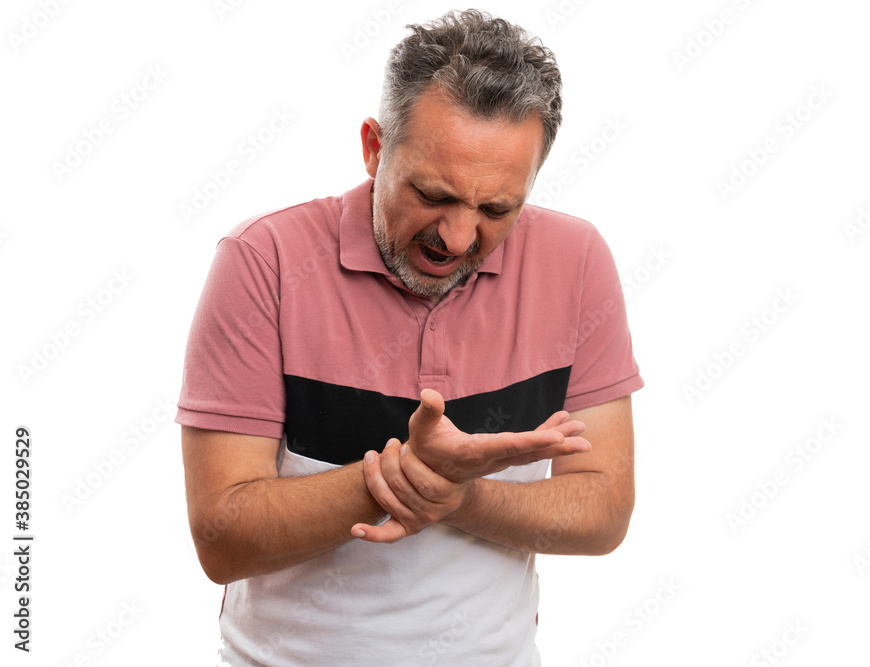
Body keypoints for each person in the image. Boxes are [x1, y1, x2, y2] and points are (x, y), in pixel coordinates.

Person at [177, 9, 643, 665]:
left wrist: (463, 495)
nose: (457, 237)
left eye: (496, 208)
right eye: (432, 194)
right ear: (374, 147)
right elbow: (222, 539)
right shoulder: (264, 260)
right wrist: (413, 476)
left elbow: (604, 510)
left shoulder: (577, 261)